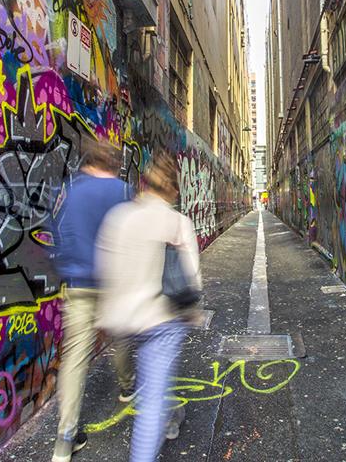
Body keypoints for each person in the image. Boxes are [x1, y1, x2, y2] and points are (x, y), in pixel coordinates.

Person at [94, 151, 202, 462]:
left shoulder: (119, 217)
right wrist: (192, 311)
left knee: (153, 379)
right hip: (162, 320)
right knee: (152, 398)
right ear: (173, 189)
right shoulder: (177, 222)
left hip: (123, 318)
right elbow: (192, 277)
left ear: (145, 183)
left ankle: (172, 418)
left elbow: (106, 268)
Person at [52, 139, 136, 462]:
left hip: (78, 284)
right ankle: (127, 386)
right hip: (113, 284)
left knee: (74, 358)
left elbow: (57, 232)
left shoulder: (70, 191)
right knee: (123, 336)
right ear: (113, 164)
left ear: (88, 162)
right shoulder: (123, 192)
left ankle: (65, 438)